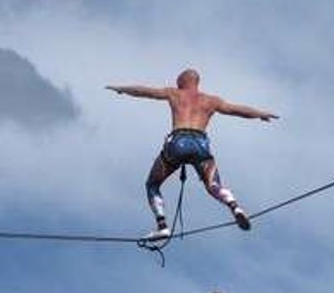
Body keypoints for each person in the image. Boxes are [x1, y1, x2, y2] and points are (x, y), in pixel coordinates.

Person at [107, 69, 278, 240]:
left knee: (152, 184)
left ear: (182, 81)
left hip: (177, 143)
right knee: (214, 185)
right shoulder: (212, 100)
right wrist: (259, 114)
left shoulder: (173, 93)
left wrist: (122, 88)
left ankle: (162, 226)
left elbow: (145, 91)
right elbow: (235, 109)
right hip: (200, 145)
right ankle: (234, 206)